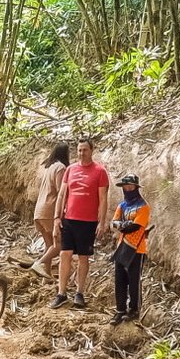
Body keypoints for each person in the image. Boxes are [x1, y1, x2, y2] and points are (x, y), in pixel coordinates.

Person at [52, 136, 110, 309]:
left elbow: (103, 199)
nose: (81, 153)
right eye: (79, 150)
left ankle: (79, 293)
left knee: (83, 257)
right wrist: (56, 217)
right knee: (64, 254)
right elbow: (62, 194)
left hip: (88, 221)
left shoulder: (100, 171)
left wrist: (102, 221)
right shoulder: (70, 170)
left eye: (85, 150)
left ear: (91, 151)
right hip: (69, 219)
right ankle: (61, 293)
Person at [110, 173, 150, 326]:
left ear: (136, 187)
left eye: (130, 186)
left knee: (134, 281)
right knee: (120, 280)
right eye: (126, 186)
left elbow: (135, 227)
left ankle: (134, 309)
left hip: (137, 248)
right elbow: (114, 222)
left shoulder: (143, 206)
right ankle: (120, 310)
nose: (127, 189)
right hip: (122, 247)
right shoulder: (122, 205)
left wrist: (123, 225)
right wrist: (121, 225)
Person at [32, 141, 69, 276]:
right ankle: (39, 263)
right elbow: (61, 191)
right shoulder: (60, 168)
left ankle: (46, 275)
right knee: (60, 244)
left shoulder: (49, 168)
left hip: (39, 211)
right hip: (49, 210)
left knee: (49, 245)